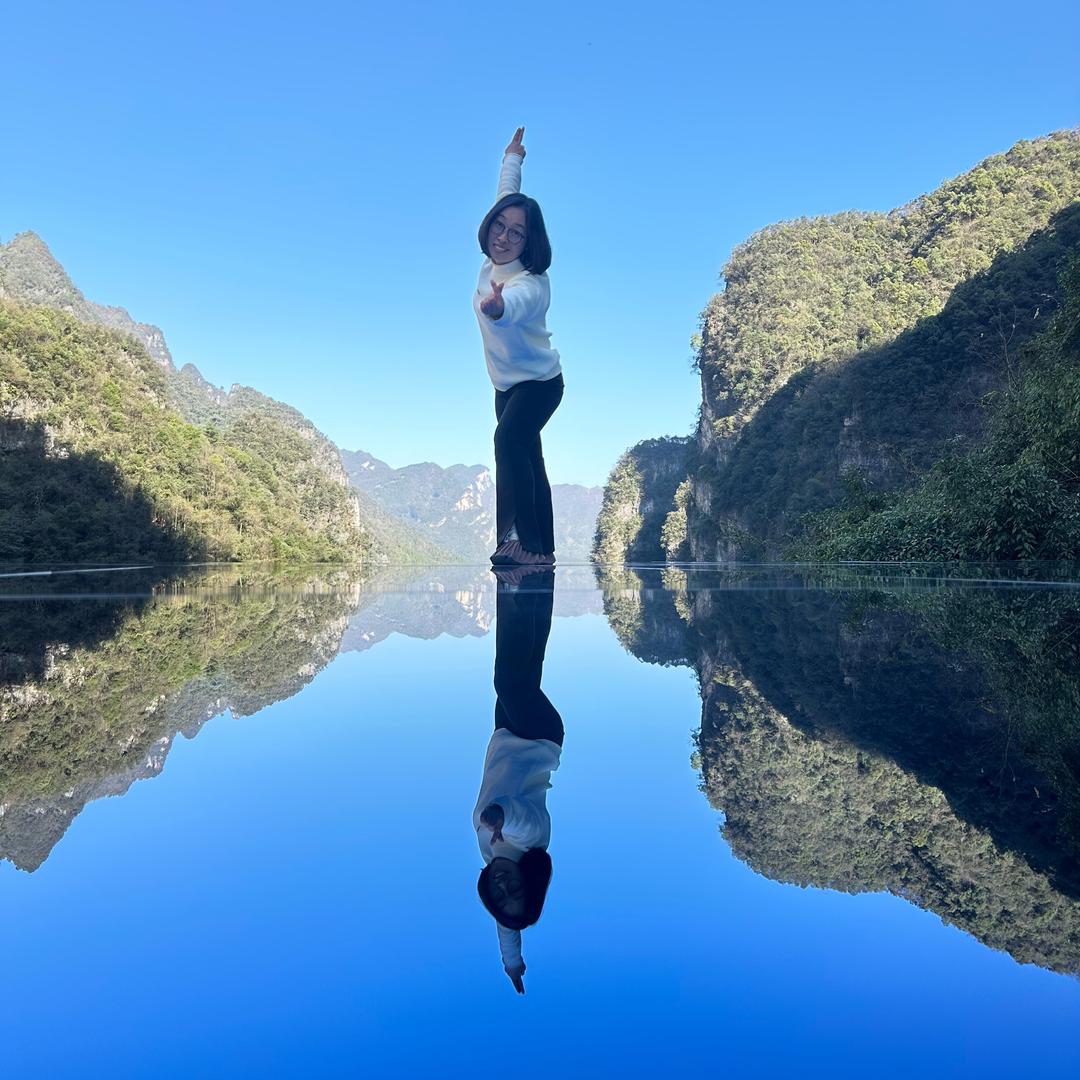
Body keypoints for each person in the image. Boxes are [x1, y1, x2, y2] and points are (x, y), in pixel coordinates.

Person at [474, 127, 564, 568]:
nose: (505, 237)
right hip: (506, 386)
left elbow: (517, 306)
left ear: (531, 243)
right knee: (530, 459)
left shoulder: (531, 284)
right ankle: (542, 549)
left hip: (541, 384)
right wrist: (513, 158)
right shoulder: (491, 263)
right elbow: (506, 195)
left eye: (517, 234)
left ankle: (521, 541)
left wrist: (497, 309)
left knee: (509, 440)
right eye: (500, 227)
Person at [473, 566, 562, 993]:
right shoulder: (534, 840)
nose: (504, 886)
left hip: (507, 735)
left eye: (500, 894)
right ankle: (521, 576)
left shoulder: (491, 858)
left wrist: (512, 964)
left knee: (526, 663)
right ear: (529, 880)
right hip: (539, 736)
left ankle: (535, 582)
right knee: (508, 676)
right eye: (516, 890)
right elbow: (520, 816)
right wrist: (498, 816)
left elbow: (507, 926)